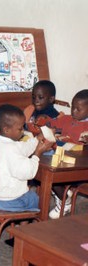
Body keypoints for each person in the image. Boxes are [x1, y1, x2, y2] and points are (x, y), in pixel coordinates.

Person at [0, 104, 53, 212]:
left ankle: (22, 222)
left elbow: (23, 148)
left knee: (30, 194)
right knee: (38, 199)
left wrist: (37, 139)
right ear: (6, 130)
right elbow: (29, 172)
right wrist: (37, 154)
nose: (23, 131)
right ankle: (30, 225)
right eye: (20, 129)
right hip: (10, 201)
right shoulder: (11, 150)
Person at [47, 89, 88, 218]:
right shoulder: (67, 119)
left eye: (78, 109)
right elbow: (51, 123)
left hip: (79, 166)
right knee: (46, 165)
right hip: (63, 157)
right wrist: (51, 128)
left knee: (52, 176)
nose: (73, 112)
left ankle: (65, 202)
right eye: (72, 107)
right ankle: (64, 193)